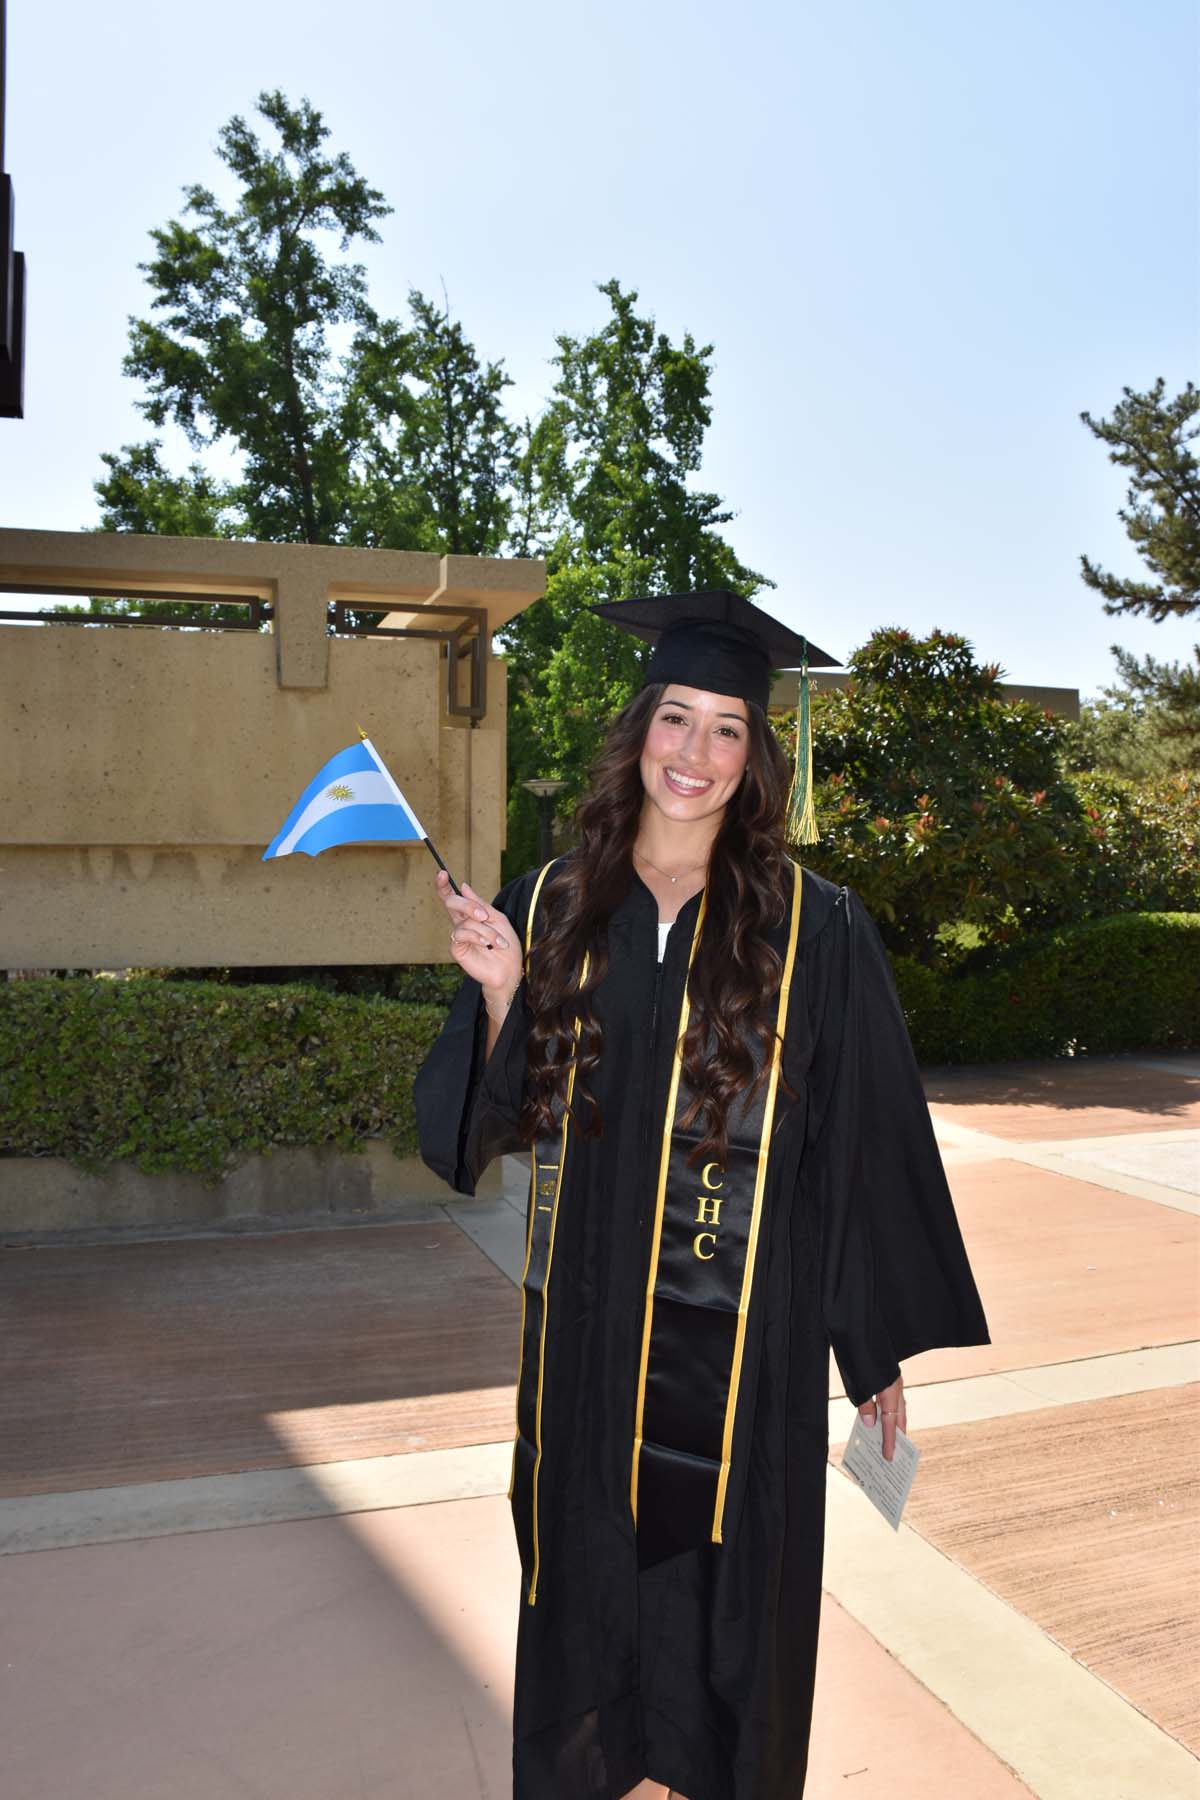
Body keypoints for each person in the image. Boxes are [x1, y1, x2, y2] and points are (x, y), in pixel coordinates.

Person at [414, 590, 990, 1800]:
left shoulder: (816, 928)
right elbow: (490, 1127)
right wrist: (506, 995)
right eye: (677, 717)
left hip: (747, 1339)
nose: (697, 752)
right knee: (589, 1565)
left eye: (729, 728)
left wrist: (870, 1344)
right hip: (587, 1323)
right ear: (640, 730)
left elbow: (859, 1140)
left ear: (756, 755)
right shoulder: (551, 904)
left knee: (729, 1586)